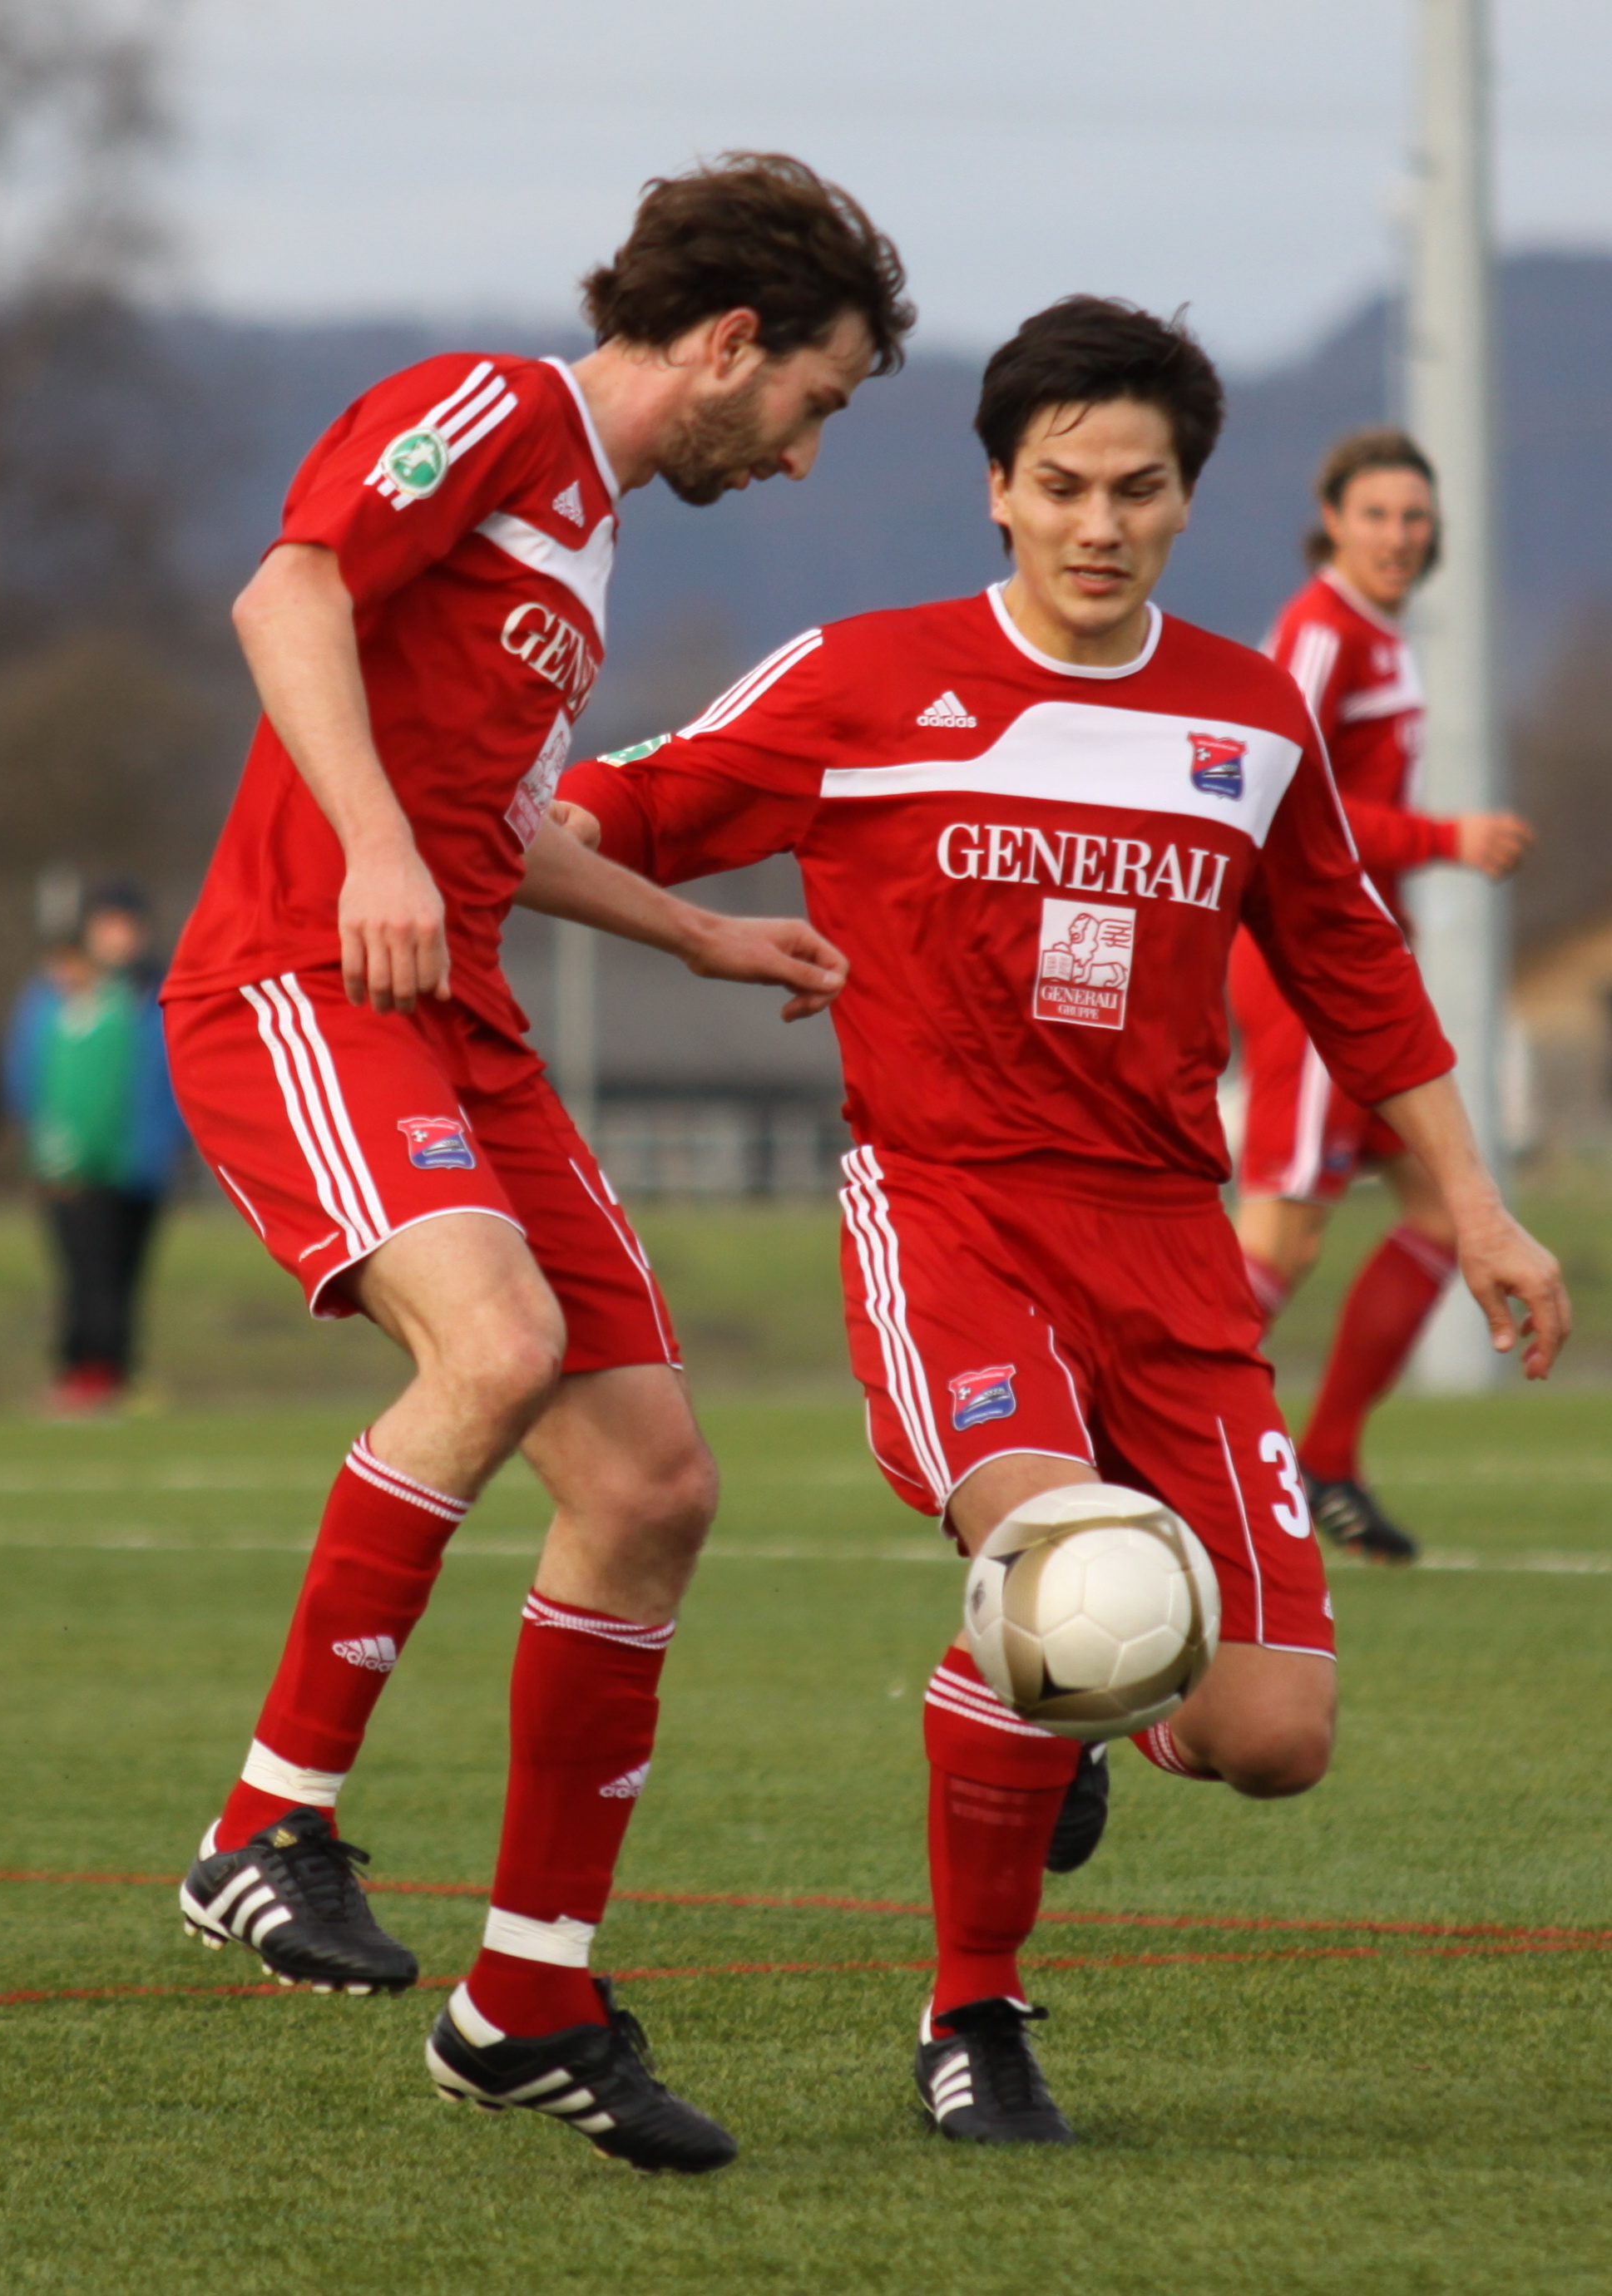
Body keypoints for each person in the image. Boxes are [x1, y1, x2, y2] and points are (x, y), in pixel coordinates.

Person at [550, 297, 1568, 2145]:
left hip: (1170, 1245)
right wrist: (515, 875)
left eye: (1139, 489)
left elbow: (1356, 976)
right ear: (997, 492)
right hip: (949, 1214)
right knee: (1062, 1558)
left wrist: (1479, 1211)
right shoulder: (861, 680)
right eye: (1062, 485)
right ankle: (975, 2012)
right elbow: (597, 812)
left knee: (1272, 1741)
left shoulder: (1247, 716)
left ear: (1187, 500)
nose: (1100, 523)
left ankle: (1097, 1691)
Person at [157, 154, 904, 2175]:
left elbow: (493, 826)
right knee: (490, 1345)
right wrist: (373, 848)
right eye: (815, 401)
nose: (805, 453)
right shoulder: (489, 408)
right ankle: (263, 1824)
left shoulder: (580, 540)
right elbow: (285, 593)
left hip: (458, 1016)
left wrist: (697, 933)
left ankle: (530, 1999)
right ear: (728, 342)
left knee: (653, 1485)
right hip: (309, 976)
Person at [1231, 431, 1532, 1563]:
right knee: (1283, 1234)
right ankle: (1132, 1435)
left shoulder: (1376, 633)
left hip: (1363, 968)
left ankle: (1328, 1461)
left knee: (1446, 1215)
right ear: (1332, 520)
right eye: (1377, 514)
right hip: (1307, 970)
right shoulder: (1320, 631)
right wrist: (1442, 837)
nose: (1399, 534)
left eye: (1414, 515)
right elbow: (1282, 793)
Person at [5, 886, 183, 1410]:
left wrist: (169, 1141)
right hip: (76, 1163)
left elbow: (171, 1076)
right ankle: (81, 1369)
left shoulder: (156, 992)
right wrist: (50, 1146)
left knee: (125, 1274)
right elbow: (27, 1074)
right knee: (85, 1272)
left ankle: (117, 1371)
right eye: (109, 926)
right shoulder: (54, 997)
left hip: (143, 1161)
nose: (119, 938)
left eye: (128, 926)